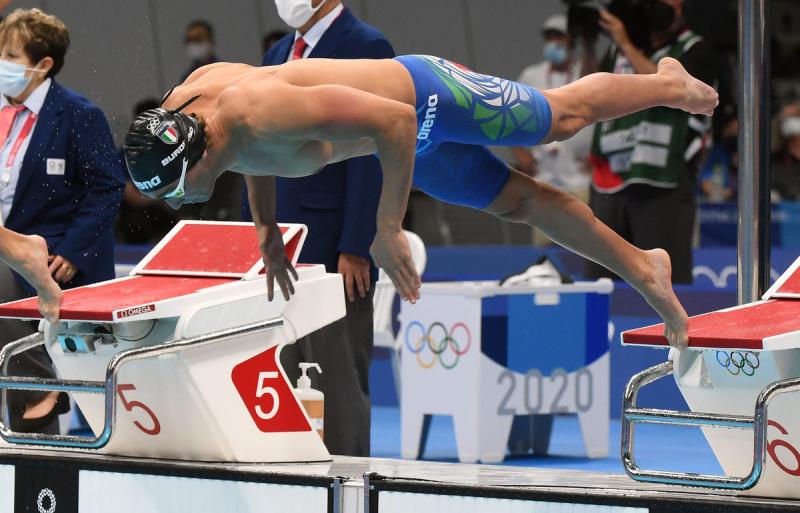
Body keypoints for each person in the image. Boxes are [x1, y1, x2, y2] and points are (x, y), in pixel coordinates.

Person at [122, 54, 718, 350]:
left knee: (560, 118)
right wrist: (266, 228)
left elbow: (398, 121)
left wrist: (387, 228)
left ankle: (669, 83)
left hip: (427, 98)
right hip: (402, 139)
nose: (176, 205)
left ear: (192, 157)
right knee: (521, 202)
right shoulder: (188, 111)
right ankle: (645, 267)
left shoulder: (263, 111)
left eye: (173, 190)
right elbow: (248, 155)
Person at [241, 0, 393, 456]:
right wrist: (263, 231)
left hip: (335, 245)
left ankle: (348, 485)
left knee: (337, 378)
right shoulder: (279, 54)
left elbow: (374, 149)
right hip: (283, 244)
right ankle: (294, 482)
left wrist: (357, 243)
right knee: (285, 373)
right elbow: (258, 148)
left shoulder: (366, 46)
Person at [0, 8, 125, 433]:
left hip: (52, 260)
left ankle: (42, 408)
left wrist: (74, 250)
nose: (1, 61)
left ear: (44, 64)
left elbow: (107, 187)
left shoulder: (77, 114)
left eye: (10, 54)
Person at [585, 0, 717, 284]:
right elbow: (592, 88)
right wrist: (588, 42)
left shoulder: (696, 49)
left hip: (662, 180)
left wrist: (624, 42)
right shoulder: (621, 49)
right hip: (611, 176)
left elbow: (676, 91)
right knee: (600, 279)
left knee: (663, 281)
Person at [511, 14, 591, 201]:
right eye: (549, 37)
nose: (554, 42)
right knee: (545, 229)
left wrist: (598, 155)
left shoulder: (585, 72)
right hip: (543, 179)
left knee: (586, 228)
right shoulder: (531, 75)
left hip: (581, 179)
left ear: (572, 40)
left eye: (559, 36)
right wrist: (520, 153)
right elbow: (510, 114)